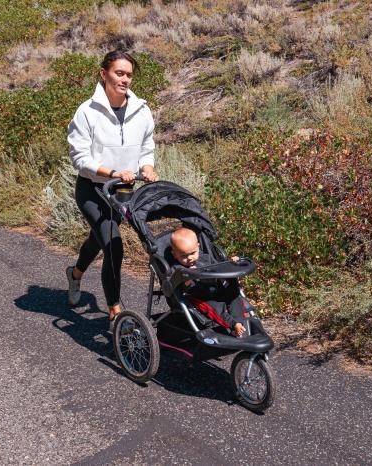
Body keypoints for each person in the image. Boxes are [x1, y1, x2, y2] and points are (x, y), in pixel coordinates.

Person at [65, 50, 159, 330]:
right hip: (93, 189)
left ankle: (75, 274)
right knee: (113, 245)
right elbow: (79, 157)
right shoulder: (87, 112)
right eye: (119, 73)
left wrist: (147, 168)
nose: (125, 79)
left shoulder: (142, 110)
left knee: (100, 239)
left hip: (123, 192)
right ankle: (116, 314)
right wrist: (114, 172)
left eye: (129, 74)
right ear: (103, 74)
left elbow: (146, 147)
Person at [168, 227, 249, 338]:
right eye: (184, 255)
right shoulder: (177, 268)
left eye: (193, 253)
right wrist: (189, 277)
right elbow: (181, 288)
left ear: (198, 247)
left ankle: (239, 322)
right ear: (174, 254)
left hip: (215, 288)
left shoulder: (206, 258)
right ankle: (233, 324)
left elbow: (219, 268)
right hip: (197, 296)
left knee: (235, 297)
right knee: (216, 306)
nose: (190, 258)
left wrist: (230, 263)